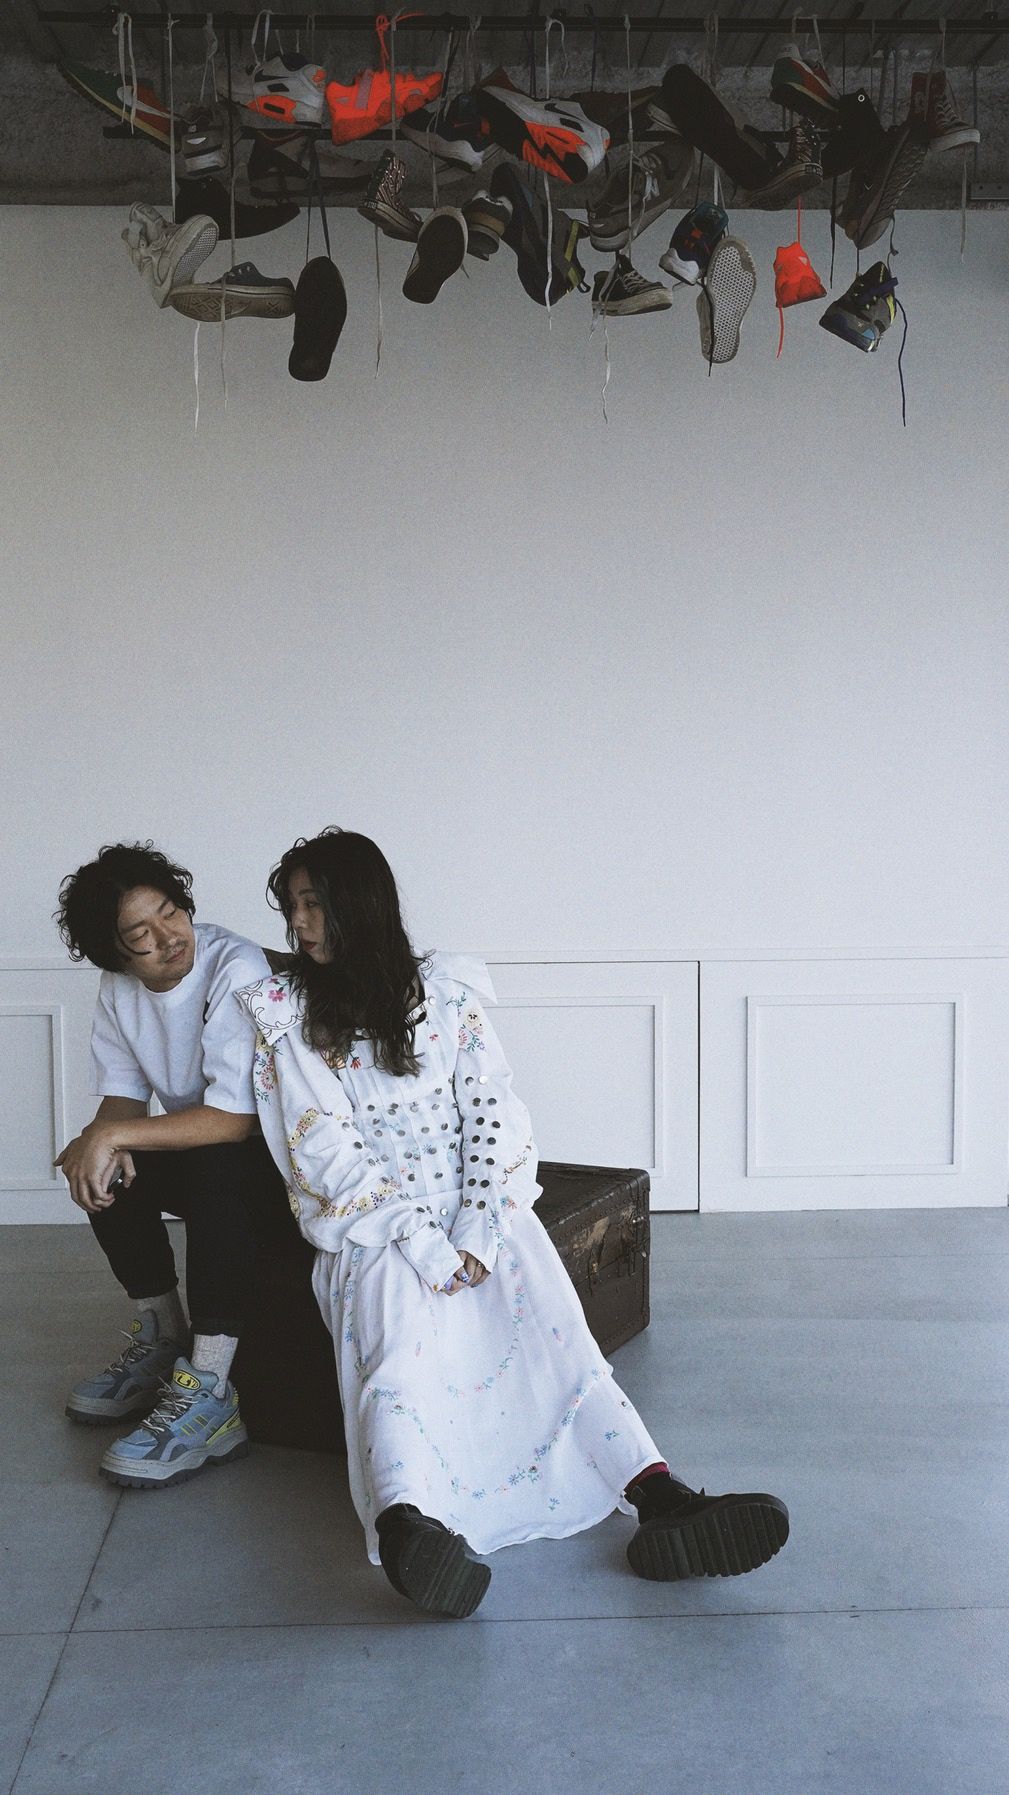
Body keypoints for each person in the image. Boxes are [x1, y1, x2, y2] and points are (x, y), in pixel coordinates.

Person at [236, 828, 789, 1617]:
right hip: (376, 1227)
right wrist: (425, 1244)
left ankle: (659, 1494)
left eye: (312, 904)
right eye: (291, 907)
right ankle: (408, 1525)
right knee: (396, 1358)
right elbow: (323, 1149)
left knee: (558, 1346)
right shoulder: (289, 1019)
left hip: (481, 1213)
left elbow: (491, 1110)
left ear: (359, 904)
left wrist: (475, 1229)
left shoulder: (444, 994)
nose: (298, 923)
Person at [55, 841, 289, 1490]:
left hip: (279, 1165)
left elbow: (235, 1120)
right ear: (115, 953)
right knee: (102, 1162)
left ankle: (209, 1391)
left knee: (213, 1165)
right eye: (140, 935)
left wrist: (112, 1134)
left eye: (171, 913)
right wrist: (98, 1142)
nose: (167, 937)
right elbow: (124, 1100)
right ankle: (163, 1340)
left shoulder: (235, 965)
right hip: (209, 1148)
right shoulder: (119, 988)